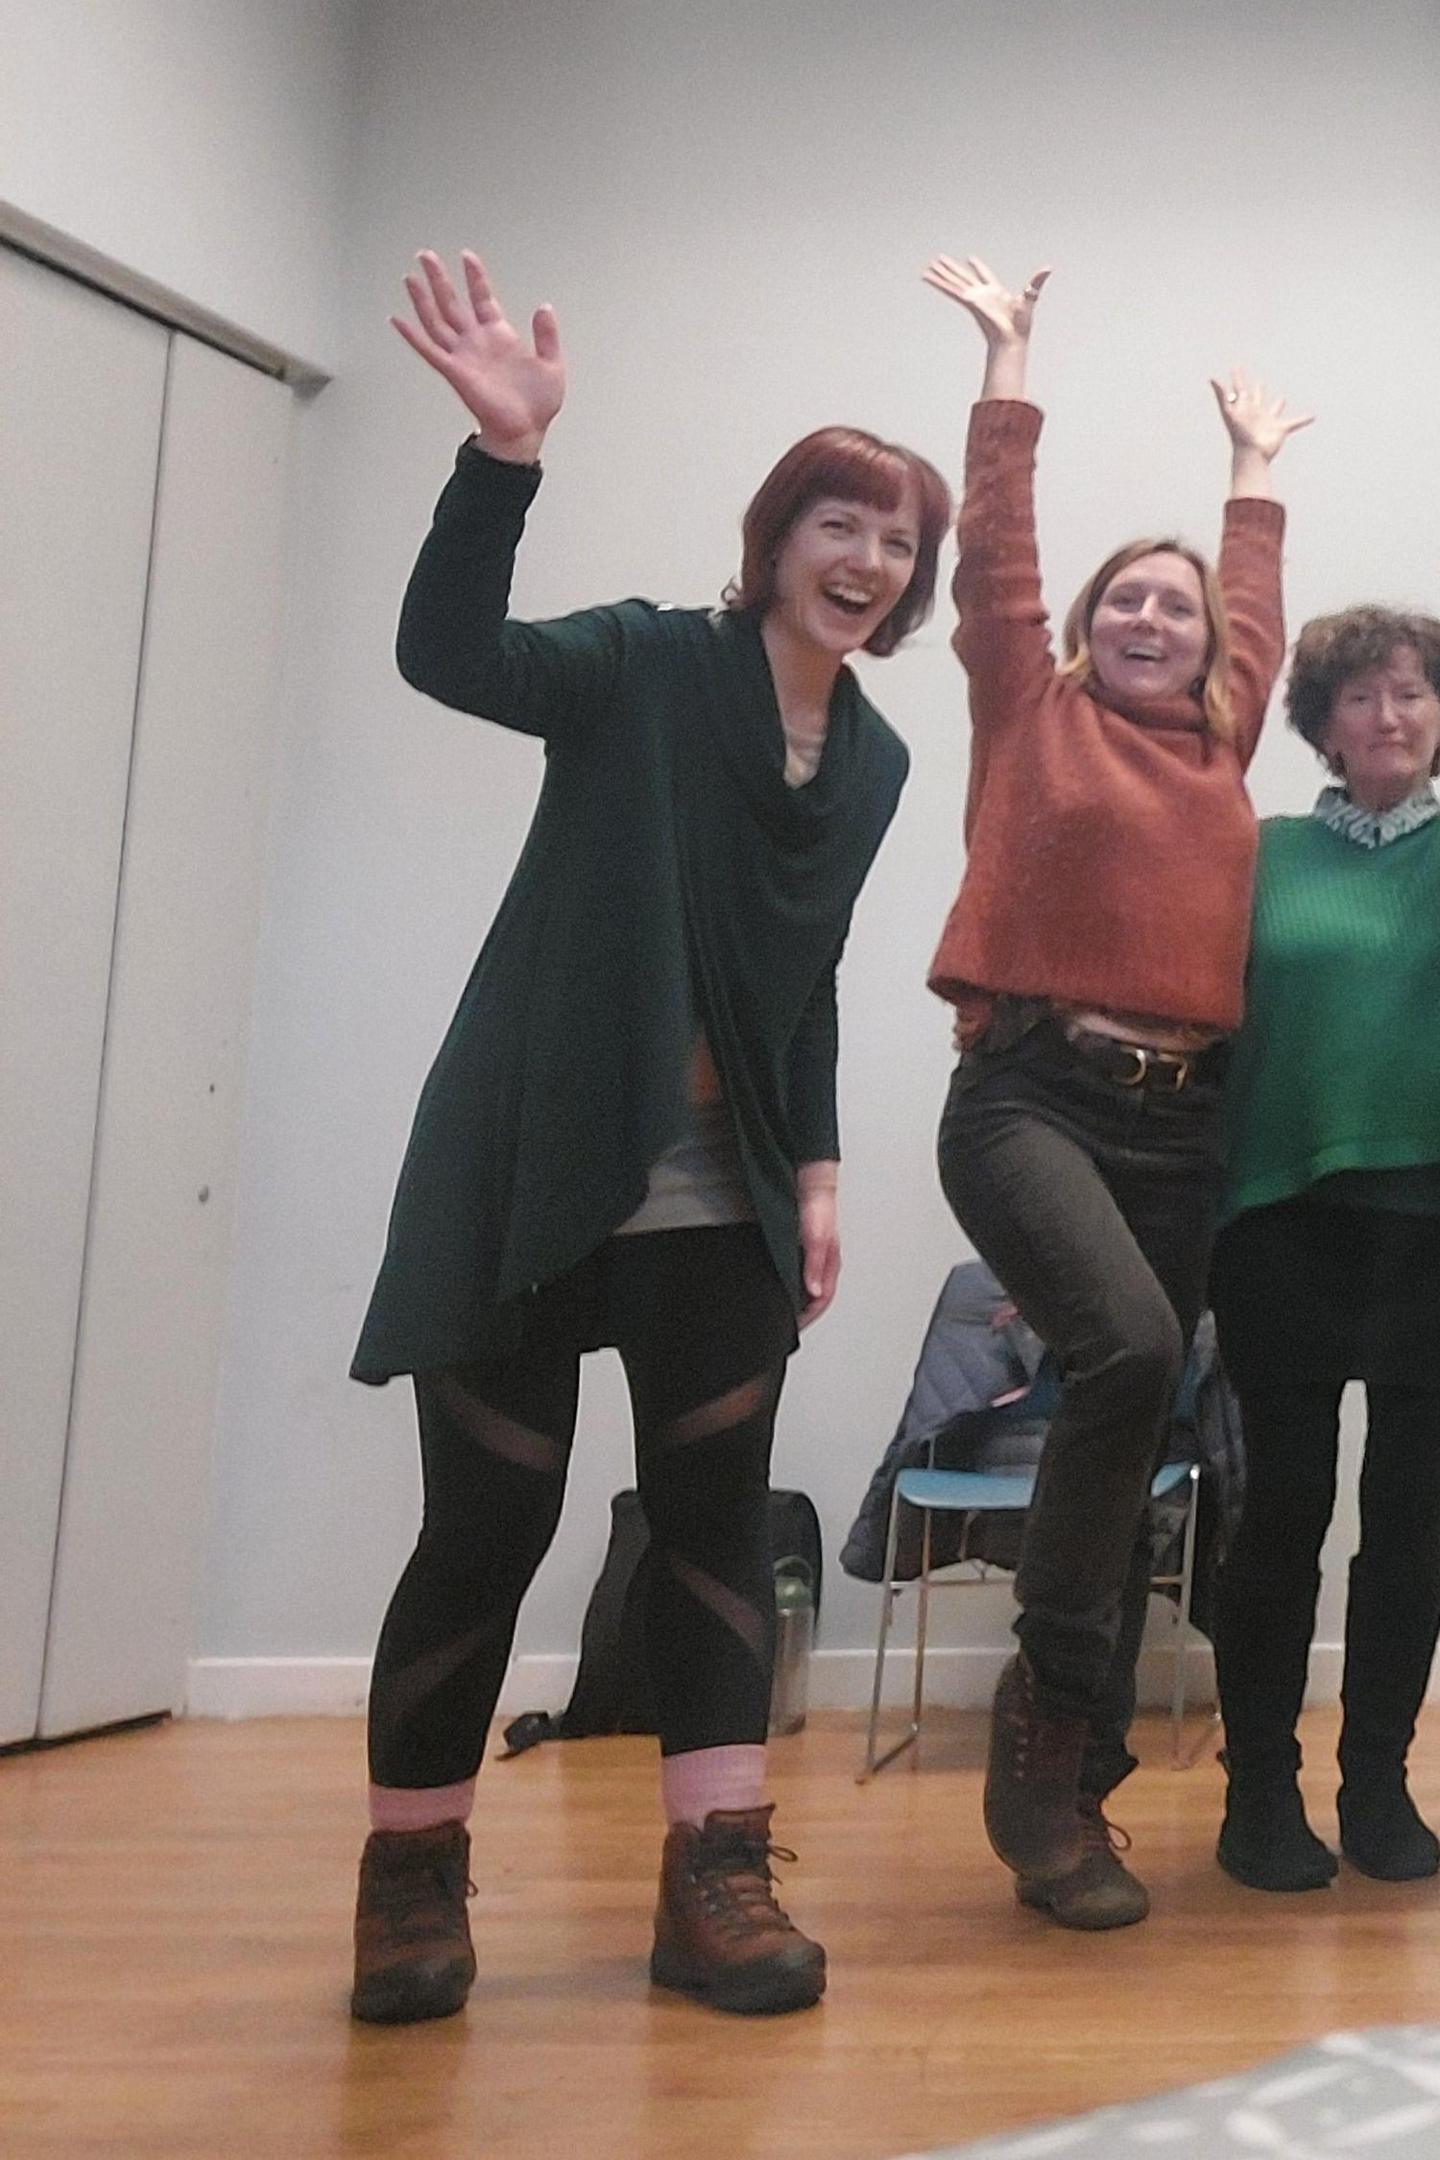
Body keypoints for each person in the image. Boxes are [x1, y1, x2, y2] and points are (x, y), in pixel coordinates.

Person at [349, 252, 942, 2021]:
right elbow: (445, 653)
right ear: (776, 541)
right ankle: (411, 1881)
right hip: (528, 1177)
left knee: (708, 1542)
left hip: (722, 1214)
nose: (869, 557)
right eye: (841, 520)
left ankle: (717, 1886)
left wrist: (820, 1178)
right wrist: (502, 463)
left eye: (898, 539)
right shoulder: (634, 663)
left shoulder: (879, 759)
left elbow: (805, 979)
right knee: (485, 1533)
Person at [919, 256, 1296, 1931]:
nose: (1153, 620)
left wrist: (1254, 478)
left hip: (1184, 1119)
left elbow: (1260, 608)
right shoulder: (1030, 716)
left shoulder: (1221, 747)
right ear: (1081, 631)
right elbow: (991, 563)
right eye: (1123, 603)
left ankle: (1064, 1762)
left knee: (1130, 1408)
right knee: (1130, 1354)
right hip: (1031, 1097)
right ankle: (1051, 1726)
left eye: (1181, 608)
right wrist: (1012, 363)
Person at [1198, 490, 1440, 1892]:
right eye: (1360, 696)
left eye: (1414, 694)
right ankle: (1257, 1796)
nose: (1389, 716)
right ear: (1322, 723)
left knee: (1409, 1512)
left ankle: (1377, 1785)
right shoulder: (1260, 854)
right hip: (1282, 1213)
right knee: (1281, 1511)